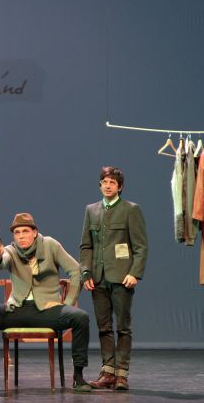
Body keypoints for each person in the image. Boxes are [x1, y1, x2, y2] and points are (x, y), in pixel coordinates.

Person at [0, 213, 92, 392]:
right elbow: (1, 262)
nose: (21, 236)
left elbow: (75, 271)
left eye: (25, 231)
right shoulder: (11, 250)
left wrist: (67, 303)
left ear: (34, 232)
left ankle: (78, 377)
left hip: (47, 312)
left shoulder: (50, 245)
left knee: (81, 317)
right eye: (17, 232)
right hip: (17, 311)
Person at [79, 166, 148, 391]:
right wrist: (86, 272)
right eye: (104, 182)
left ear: (120, 187)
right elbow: (86, 246)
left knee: (123, 327)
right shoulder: (91, 210)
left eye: (112, 183)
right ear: (100, 185)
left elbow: (140, 246)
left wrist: (134, 273)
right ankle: (108, 372)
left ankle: (122, 374)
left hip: (122, 278)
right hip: (98, 278)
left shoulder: (130, 209)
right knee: (104, 327)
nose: (108, 186)